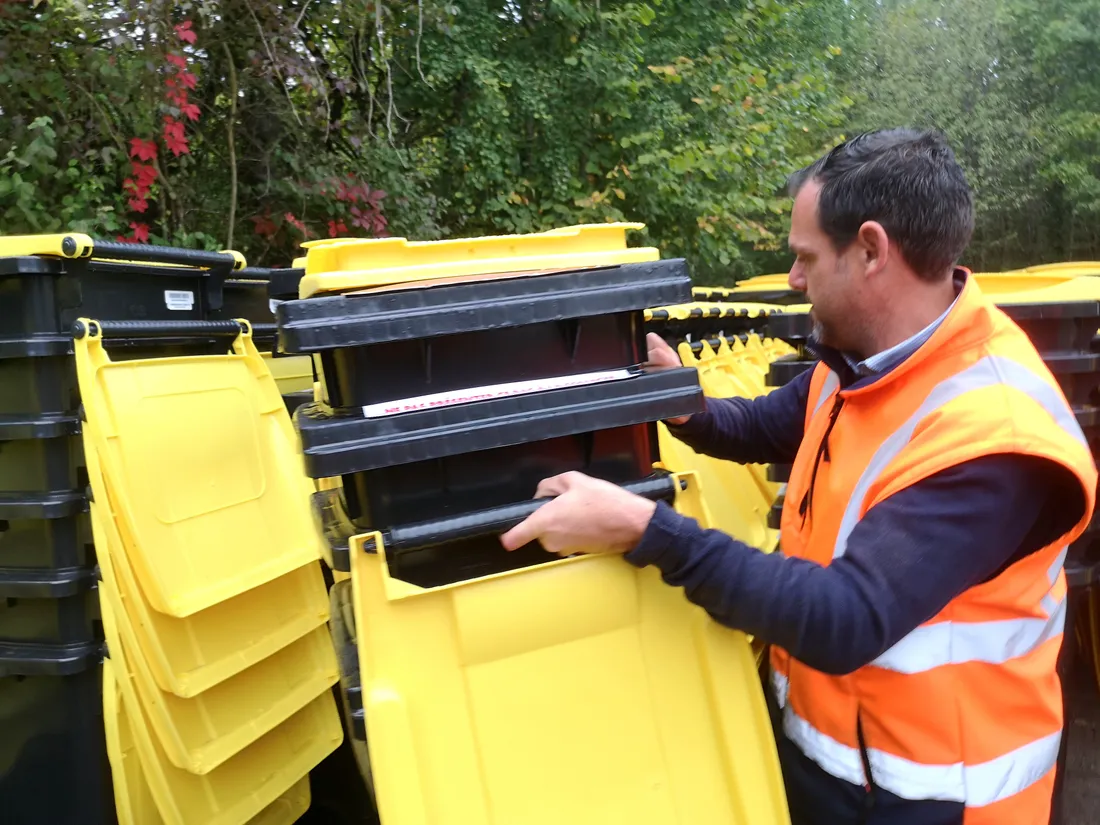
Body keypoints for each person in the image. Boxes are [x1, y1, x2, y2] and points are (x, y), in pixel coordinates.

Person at [499, 128, 1098, 825]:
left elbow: (845, 617)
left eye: (806, 256)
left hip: (940, 799)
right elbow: (765, 426)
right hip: (837, 765)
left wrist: (644, 528)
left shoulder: (994, 434)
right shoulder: (865, 360)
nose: (792, 278)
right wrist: (681, 401)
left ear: (871, 251)